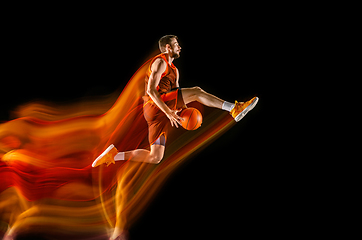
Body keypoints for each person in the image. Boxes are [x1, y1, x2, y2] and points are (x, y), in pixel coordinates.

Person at [92, 35, 258, 167]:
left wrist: (183, 112)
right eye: (176, 44)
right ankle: (233, 109)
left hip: (158, 112)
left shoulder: (174, 71)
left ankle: (114, 155)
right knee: (197, 92)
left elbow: (177, 94)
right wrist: (168, 111)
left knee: (155, 156)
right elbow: (150, 91)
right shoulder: (160, 62)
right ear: (168, 47)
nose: (180, 47)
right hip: (154, 106)